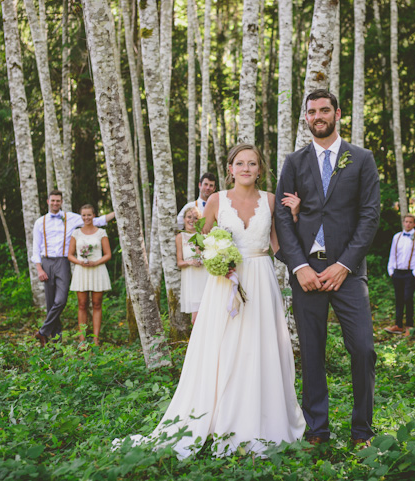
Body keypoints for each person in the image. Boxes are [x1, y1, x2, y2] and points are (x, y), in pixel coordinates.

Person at [118, 144, 305, 459]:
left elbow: (279, 245)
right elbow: (200, 240)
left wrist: (296, 217)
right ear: (230, 168)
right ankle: (218, 415)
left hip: (261, 280)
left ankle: (262, 419)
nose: (246, 168)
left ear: (261, 169)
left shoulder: (271, 201)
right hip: (225, 283)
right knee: (223, 346)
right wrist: (216, 257)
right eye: (240, 163)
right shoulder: (216, 200)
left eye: (252, 163)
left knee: (260, 346)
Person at [275, 89, 380, 447]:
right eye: (311, 112)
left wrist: (344, 265)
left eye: (324, 110)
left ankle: (362, 431)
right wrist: (299, 265)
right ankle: (318, 429)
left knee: (363, 348)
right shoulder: (293, 162)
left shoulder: (361, 159)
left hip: (347, 274)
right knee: (312, 351)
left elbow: (369, 217)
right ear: (305, 118)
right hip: (306, 272)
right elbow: (282, 219)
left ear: (337, 113)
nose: (318, 116)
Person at [32, 190, 115, 346]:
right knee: (51, 302)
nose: (55, 203)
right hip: (46, 262)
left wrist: (118, 211)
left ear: (61, 202)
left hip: (63, 262)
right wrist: (39, 268)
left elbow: (96, 220)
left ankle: (42, 331)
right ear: (48, 201)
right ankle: (54, 341)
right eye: (53, 200)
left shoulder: (71, 218)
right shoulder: (40, 222)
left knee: (61, 300)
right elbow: (35, 247)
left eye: (58, 201)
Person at [67, 204, 113, 346]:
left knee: (97, 304)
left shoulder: (101, 233)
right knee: (82, 304)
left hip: (97, 270)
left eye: (89, 215)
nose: (86, 218)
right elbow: (70, 255)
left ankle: (96, 338)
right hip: (82, 271)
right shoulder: (76, 233)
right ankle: (82, 339)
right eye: (84, 215)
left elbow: (108, 254)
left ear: (94, 216)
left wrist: (97, 262)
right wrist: (79, 262)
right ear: (81, 216)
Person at [385, 214, 415, 337]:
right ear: (403, 223)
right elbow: (393, 254)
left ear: (414, 224)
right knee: (399, 299)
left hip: (410, 273)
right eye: (406, 222)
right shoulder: (397, 237)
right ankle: (398, 325)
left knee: (408, 298)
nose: (408, 224)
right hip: (397, 272)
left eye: (411, 222)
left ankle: (409, 326)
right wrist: (391, 271)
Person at [176, 205, 208, 324]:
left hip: (204, 278)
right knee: (195, 319)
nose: (192, 220)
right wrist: (190, 262)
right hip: (191, 281)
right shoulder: (180, 237)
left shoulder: (204, 236)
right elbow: (179, 262)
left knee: (207, 315)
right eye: (189, 217)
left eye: (195, 218)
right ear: (184, 219)